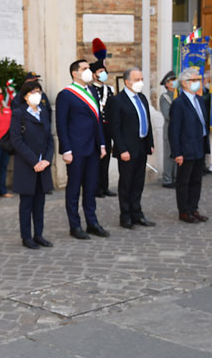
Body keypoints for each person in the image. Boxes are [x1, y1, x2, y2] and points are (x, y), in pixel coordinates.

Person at [56, 59, 109, 240]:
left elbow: (98, 121)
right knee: (73, 189)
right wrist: (66, 150)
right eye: (85, 69)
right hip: (76, 150)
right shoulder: (66, 94)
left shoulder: (93, 90)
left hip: (93, 148)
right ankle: (75, 225)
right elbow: (61, 125)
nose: (89, 71)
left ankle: (92, 222)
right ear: (75, 73)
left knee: (91, 188)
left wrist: (102, 144)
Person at [109, 67, 156, 229]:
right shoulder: (118, 100)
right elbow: (115, 128)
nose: (140, 83)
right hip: (127, 149)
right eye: (137, 80)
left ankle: (137, 213)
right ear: (127, 82)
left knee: (138, 182)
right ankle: (125, 215)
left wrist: (150, 143)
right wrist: (122, 149)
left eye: (141, 79)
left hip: (142, 147)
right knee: (126, 183)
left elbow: (147, 122)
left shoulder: (142, 98)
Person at [10, 81, 55, 249]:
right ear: (26, 95)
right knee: (26, 204)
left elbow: (50, 138)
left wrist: (47, 160)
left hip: (42, 165)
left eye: (39, 91)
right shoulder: (19, 113)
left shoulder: (43, 113)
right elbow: (16, 140)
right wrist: (34, 161)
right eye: (34, 92)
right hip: (27, 165)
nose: (37, 94)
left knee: (40, 203)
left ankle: (39, 235)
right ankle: (26, 237)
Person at [169, 67, 211, 224]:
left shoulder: (199, 100)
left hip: (199, 146)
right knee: (184, 182)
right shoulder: (179, 103)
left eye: (198, 80)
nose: (197, 83)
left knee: (196, 180)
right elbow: (174, 130)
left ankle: (194, 208)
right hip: (185, 149)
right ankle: (184, 211)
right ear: (184, 83)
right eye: (193, 80)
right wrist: (177, 152)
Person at [90, 59, 116, 198]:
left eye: (104, 71)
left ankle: (105, 186)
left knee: (106, 158)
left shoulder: (110, 89)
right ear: (94, 75)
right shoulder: (90, 90)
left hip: (107, 127)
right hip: (95, 128)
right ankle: (96, 188)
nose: (104, 74)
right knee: (96, 158)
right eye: (100, 71)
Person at [159, 70, 178, 188]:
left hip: (178, 130)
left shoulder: (178, 95)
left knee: (177, 155)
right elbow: (167, 114)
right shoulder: (165, 97)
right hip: (169, 129)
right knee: (168, 155)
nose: (174, 83)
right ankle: (167, 179)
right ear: (167, 84)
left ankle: (175, 177)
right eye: (172, 81)